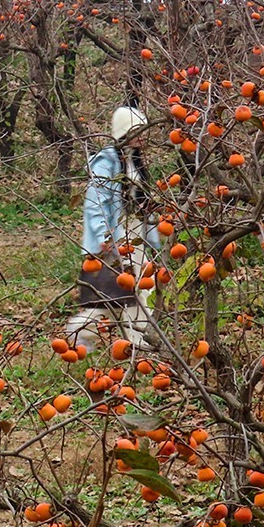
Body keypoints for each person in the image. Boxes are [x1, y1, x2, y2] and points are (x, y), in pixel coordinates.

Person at [67, 105, 160, 352]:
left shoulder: (135, 161)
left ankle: (139, 342)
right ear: (124, 131)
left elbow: (141, 203)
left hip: (135, 234)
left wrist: (154, 239)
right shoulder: (106, 162)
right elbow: (96, 202)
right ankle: (78, 330)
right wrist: (102, 236)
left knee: (139, 292)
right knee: (108, 296)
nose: (143, 136)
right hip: (116, 236)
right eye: (138, 130)